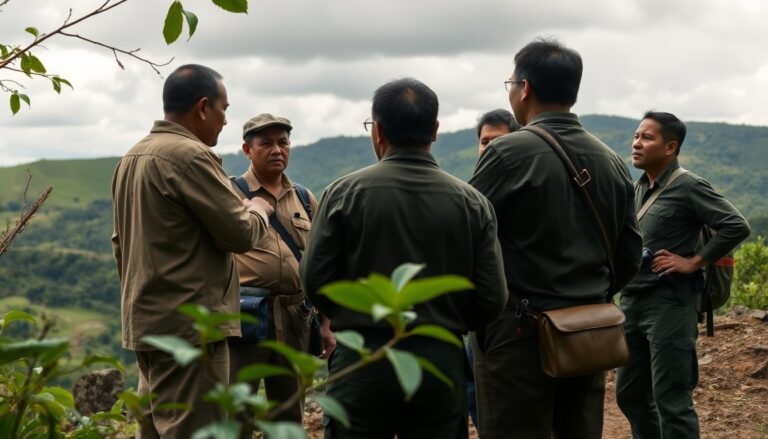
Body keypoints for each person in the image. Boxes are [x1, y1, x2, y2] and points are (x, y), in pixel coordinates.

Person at [301, 77, 508, 439]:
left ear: (377, 131)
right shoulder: (472, 203)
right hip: (439, 360)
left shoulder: (343, 194)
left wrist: (351, 315)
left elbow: (315, 279)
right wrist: (448, 323)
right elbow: (492, 297)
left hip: (362, 358)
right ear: (435, 130)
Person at [469, 37, 643, 439]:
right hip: (589, 332)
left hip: (517, 335)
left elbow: (466, 236)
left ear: (524, 88)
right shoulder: (612, 161)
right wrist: (584, 295)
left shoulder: (506, 154)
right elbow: (630, 254)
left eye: (510, 83)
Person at [111, 64, 272, 438]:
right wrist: (259, 210)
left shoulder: (131, 158)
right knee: (197, 428)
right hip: (190, 331)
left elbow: (120, 244)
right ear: (203, 108)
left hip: (146, 322)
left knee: (154, 426)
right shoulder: (191, 157)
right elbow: (241, 234)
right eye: (224, 110)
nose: (225, 121)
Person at [616, 111, 750, 438]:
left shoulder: (689, 186)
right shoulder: (637, 190)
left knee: (671, 399)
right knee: (630, 395)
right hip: (632, 303)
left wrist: (693, 263)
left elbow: (736, 225)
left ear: (670, 147)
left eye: (647, 138)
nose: (636, 143)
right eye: (636, 136)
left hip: (671, 304)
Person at [227, 113, 334, 432]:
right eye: (267, 143)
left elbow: (319, 262)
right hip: (247, 315)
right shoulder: (231, 194)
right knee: (237, 410)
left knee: (289, 411)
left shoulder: (304, 198)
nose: (277, 150)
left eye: (283, 142)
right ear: (248, 149)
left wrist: (327, 323)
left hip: (295, 316)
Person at [466, 108, 519, 430]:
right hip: (482, 316)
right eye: (484, 142)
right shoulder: (474, 190)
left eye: (498, 141)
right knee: (475, 393)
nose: (489, 148)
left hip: (517, 315)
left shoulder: (525, 186)